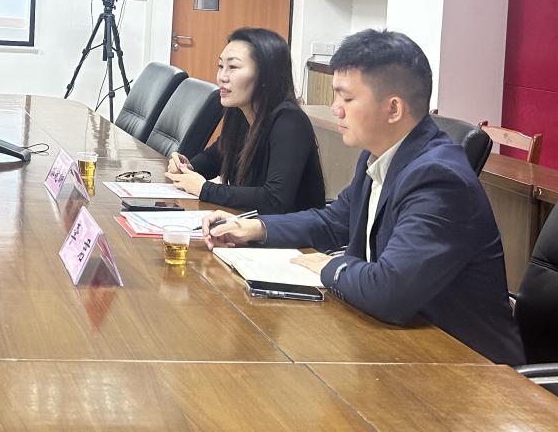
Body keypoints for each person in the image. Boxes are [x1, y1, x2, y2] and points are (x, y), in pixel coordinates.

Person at [202, 29, 523, 366]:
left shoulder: (439, 179)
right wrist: (254, 228)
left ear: (393, 108)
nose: (335, 109)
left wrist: (330, 265)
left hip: (466, 366)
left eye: (347, 99)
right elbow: (333, 221)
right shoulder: (378, 156)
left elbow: (390, 291)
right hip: (398, 344)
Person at [163, 27, 325, 214]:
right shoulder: (240, 114)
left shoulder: (289, 122)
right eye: (220, 66)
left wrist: (205, 189)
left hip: (291, 231)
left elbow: (275, 200)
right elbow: (212, 160)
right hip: (247, 223)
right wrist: (185, 167)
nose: (222, 77)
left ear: (265, 76)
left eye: (233, 67)